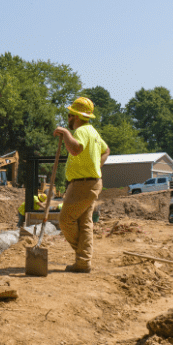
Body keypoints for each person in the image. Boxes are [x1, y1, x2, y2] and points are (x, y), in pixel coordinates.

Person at [52, 97, 110, 273]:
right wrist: (96, 165)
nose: (68, 119)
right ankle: (83, 262)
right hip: (91, 183)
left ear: (75, 116)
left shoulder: (81, 131)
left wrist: (65, 133)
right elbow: (106, 150)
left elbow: (75, 149)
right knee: (84, 223)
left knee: (65, 220)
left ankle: (83, 256)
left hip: (83, 184)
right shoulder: (93, 132)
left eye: (69, 115)